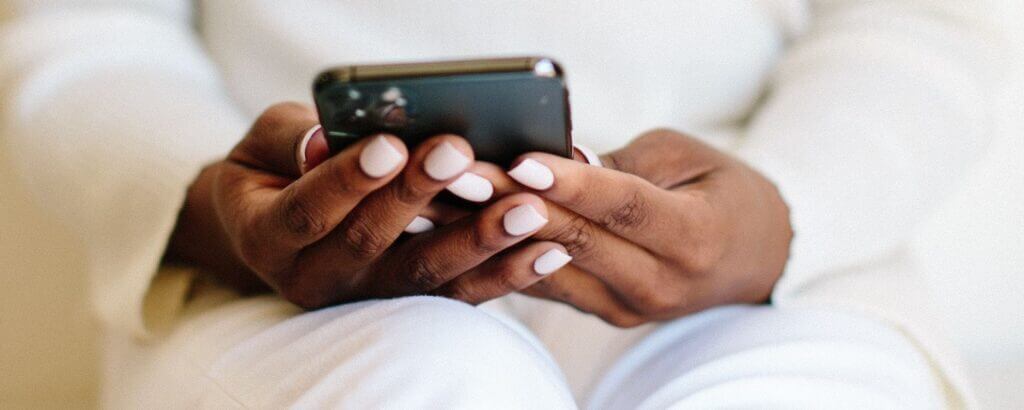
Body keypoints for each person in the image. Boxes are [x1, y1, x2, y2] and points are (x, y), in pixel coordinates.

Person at [0, 1, 1008, 408]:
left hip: (756, 260)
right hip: (281, 283)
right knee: (423, 386)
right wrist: (218, 208)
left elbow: (917, 23)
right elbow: (86, 38)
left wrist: (791, 208)